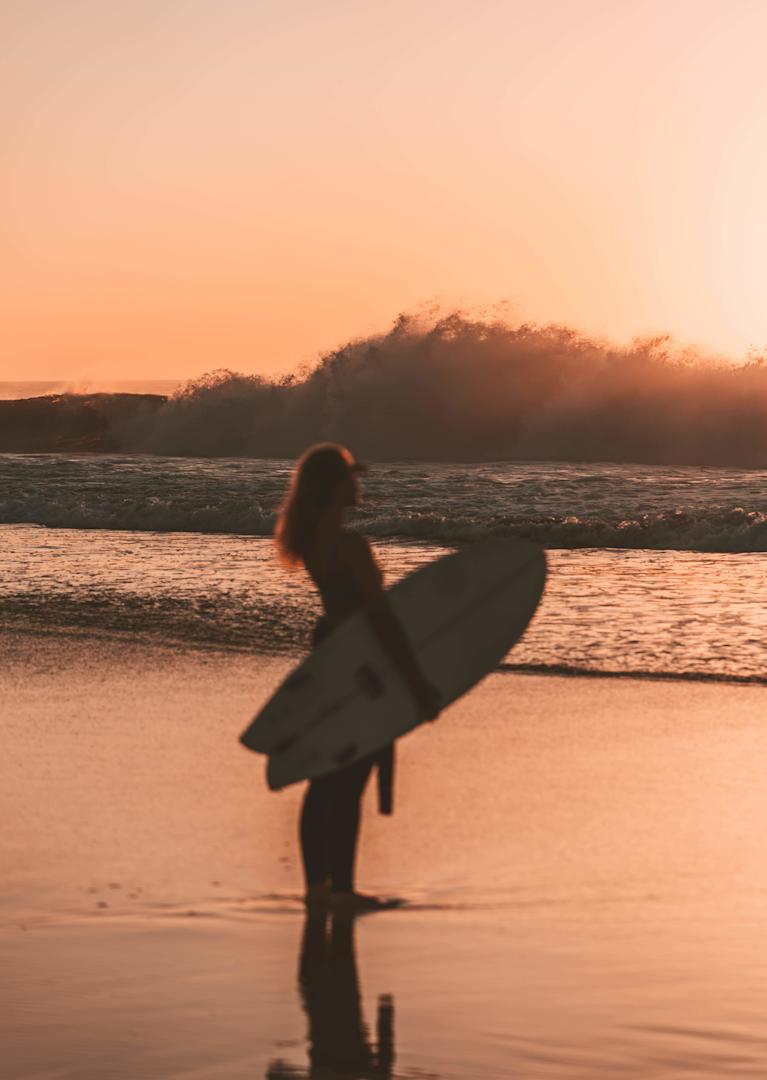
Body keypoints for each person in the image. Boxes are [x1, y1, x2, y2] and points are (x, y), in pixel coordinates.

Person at [275, 443, 440, 915]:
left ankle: (318, 889)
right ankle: (344, 892)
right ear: (334, 486)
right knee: (350, 780)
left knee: (325, 778)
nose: (358, 483)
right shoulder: (351, 547)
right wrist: (415, 681)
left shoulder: (312, 543)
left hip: (330, 657)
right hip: (362, 666)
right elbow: (381, 620)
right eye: (350, 476)